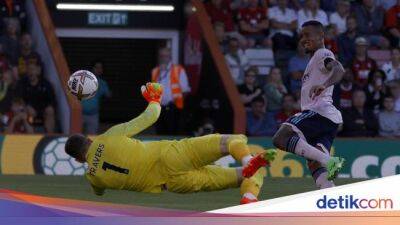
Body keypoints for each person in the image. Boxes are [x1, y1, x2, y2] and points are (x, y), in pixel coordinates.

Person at [64, 82, 276, 205]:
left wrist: (93, 171)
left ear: (77, 159)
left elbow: (99, 192)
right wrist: (154, 98)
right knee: (230, 141)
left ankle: (248, 198)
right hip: (173, 155)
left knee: (241, 177)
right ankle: (248, 160)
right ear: (89, 139)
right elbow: (151, 116)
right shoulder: (109, 136)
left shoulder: (93, 177)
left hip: (174, 184)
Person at [271, 21, 346, 190]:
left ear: (321, 36)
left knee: (280, 138)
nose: (303, 39)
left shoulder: (323, 53)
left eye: (307, 35)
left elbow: (339, 69)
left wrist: (324, 85)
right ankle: (332, 200)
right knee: (314, 164)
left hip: (319, 113)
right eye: (301, 36)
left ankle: (331, 161)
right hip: (328, 120)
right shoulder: (314, 59)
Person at [151, 47, 191, 135]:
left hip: (173, 109)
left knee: (172, 135)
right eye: (161, 56)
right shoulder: (155, 71)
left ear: (170, 57)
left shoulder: (178, 70)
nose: (163, 58)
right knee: (160, 135)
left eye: (166, 56)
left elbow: (185, 91)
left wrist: (176, 104)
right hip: (159, 109)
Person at [16, 63, 55, 133]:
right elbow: (19, 99)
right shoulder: (23, 84)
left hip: (42, 118)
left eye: (32, 69)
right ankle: (32, 139)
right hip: (30, 118)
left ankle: (49, 136)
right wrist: (26, 107)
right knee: (26, 114)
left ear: (38, 71)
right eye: (28, 70)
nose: (30, 72)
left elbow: (52, 102)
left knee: (50, 110)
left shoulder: (45, 84)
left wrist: (44, 109)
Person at [81, 60, 111, 135]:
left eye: (100, 68)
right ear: (92, 68)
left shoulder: (103, 83)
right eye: (96, 67)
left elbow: (108, 95)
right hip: (79, 114)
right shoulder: (83, 79)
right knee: (76, 136)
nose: (98, 69)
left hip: (93, 115)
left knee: (91, 137)